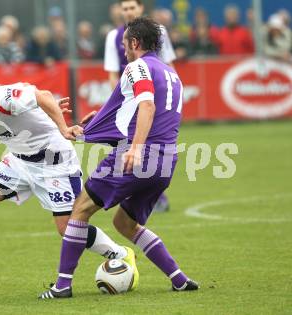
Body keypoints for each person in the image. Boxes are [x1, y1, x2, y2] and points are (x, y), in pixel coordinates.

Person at [0, 72, 139, 290]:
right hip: (19, 162)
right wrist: (41, 112)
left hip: (54, 163)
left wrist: (63, 127)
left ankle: (121, 254)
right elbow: (38, 102)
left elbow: (43, 96)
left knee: (67, 227)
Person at [39, 17, 198, 299]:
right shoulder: (171, 73)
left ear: (134, 42)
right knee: (124, 223)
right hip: (166, 160)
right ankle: (179, 278)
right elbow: (147, 109)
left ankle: (62, 286)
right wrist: (102, 118)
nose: (123, 47)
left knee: (79, 210)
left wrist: (135, 148)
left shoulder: (138, 66)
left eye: (125, 42)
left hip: (138, 155)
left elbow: (147, 105)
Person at [104, 0, 175, 212]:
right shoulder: (114, 37)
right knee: (129, 145)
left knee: (151, 144)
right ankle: (139, 192)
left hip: (153, 99)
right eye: (124, 8)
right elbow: (112, 72)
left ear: (141, 9)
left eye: (132, 7)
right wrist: (119, 100)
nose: (128, 12)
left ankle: (153, 194)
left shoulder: (158, 32)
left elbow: (168, 63)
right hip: (131, 100)